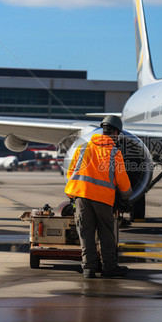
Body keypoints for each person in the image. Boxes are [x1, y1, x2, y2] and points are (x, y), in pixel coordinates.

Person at [64, 115, 133, 278]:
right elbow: (123, 182)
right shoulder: (114, 152)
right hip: (102, 199)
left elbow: (70, 173)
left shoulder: (83, 148)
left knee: (86, 233)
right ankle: (109, 268)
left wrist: (74, 192)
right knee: (106, 234)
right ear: (115, 132)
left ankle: (88, 269)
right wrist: (127, 196)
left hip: (80, 197)